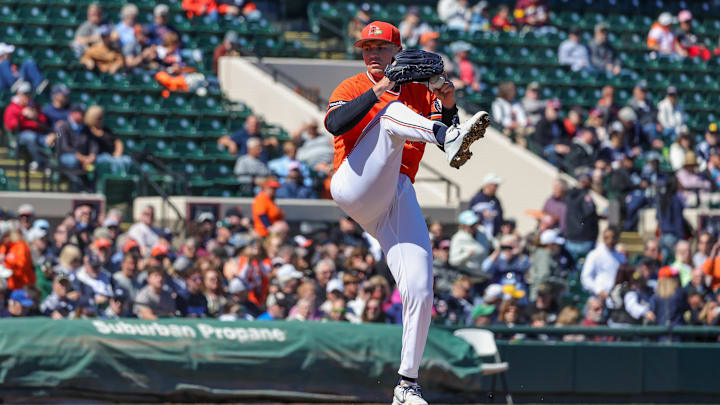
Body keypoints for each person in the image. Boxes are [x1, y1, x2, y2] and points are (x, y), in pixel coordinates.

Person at [324, 20, 489, 404]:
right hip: (353, 181)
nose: (373, 54)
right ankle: (447, 138)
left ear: (396, 52)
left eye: (380, 48)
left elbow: (445, 130)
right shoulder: (354, 86)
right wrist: (381, 91)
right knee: (389, 116)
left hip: (394, 194)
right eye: (367, 48)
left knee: (419, 286)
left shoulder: (417, 90)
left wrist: (448, 104)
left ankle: (407, 384)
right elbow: (334, 122)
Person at [4, 81, 54, 171]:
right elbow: (10, 125)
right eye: (25, 94)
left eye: (29, 94)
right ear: (19, 93)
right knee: (30, 136)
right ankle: (42, 164)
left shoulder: (35, 106)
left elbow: (44, 122)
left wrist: (35, 116)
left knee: (57, 137)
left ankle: (52, 165)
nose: (27, 96)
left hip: (39, 134)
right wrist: (22, 115)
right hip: (20, 136)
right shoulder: (12, 108)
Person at [82, 106, 131, 174]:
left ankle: (123, 180)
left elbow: (118, 142)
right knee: (108, 159)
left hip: (113, 156)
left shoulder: (106, 130)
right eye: (99, 118)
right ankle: (115, 180)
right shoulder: (86, 131)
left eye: (102, 118)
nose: (102, 120)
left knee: (127, 160)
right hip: (97, 157)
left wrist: (118, 153)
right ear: (92, 118)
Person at [581, 228, 625, 300]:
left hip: (617, 297)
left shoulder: (621, 257)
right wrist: (599, 291)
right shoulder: (594, 254)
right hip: (598, 297)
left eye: (613, 237)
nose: (610, 240)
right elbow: (585, 278)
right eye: (607, 238)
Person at [564, 173, 598, 261]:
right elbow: (588, 213)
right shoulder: (585, 196)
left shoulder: (569, 195)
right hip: (584, 238)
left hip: (570, 237)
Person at [532, 99, 569, 166]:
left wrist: (565, 147)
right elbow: (539, 140)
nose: (556, 112)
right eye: (554, 110)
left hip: (559, 150)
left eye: (557, 110)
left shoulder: (560, 124)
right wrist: (555, 147)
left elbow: (565, 138)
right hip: (545, 150)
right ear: (547, 109)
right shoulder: (541, 123)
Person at [0, 222, 34, 290]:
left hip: (23, 286)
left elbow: (22, 264)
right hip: (9, 285)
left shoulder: (21, 246)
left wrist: (6, 260)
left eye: (6, 235)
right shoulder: (3, 247)